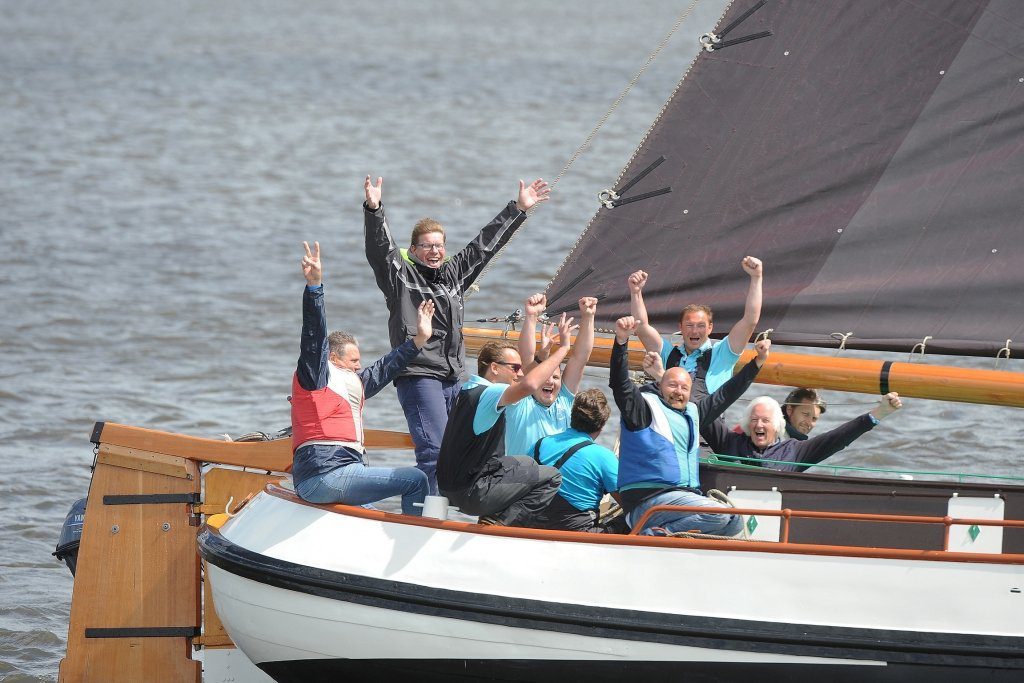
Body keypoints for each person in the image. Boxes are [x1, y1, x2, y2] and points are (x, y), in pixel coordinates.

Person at [363, 175, 551, 495]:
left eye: (439, 245)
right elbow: (380, 250)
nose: (434, 251)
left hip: (455, 378)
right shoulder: (401, 277)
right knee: (435, 456)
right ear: (414, 249)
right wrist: (374, 209)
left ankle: (460, 517)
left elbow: (484, 246)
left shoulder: (453, 274)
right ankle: (426, 520)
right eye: (427, 245)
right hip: (420, 375)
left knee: (465, 453)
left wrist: (518, 208)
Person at [290, 241, 432, 515]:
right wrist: (315, 287)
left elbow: (386, 367)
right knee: (417, 480)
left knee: (373, 511)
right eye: (354, 360)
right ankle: (415, 541)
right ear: (332, 359)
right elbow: (313, 334)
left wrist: (418, 341)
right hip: (324, 474)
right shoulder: (315, 376)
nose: (359, 366)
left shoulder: (353, 384)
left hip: (342, 472)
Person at [610, 316, 771, 536]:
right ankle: (652, 535)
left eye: (684, 388)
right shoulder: (643, 410)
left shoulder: (693, 413)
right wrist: (621, 342)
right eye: (672, 385)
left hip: (680, 498)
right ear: (660, 385)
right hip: (647, 501)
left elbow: (726, 394)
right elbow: (620, 385)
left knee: (734, 523)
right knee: (720, 514)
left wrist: (757, 363)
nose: (678, 391)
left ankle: (674, 544)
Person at [436, 317, 575, 527]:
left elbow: (525, 381)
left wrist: (541, 356)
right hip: (471, 493)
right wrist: (563, 349)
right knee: (552, 476)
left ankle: (493, 517)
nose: (520, 373)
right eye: (515, 368)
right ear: (494, 368)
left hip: (450, 487)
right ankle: (501, 525)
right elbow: (529, 384)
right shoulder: (492, 393)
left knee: (526, 462)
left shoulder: (469, 388)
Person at [628, 256, 763, 403]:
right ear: (680, 327)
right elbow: (641, 327)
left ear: (710, 328)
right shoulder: (668, 354)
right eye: (689, 325)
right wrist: (636, 292)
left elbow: (750, 321)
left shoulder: (723, 354)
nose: (694, 331)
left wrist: (756, 277)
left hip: (706, 424)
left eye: (701, 326)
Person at [703, 393, 903, 473]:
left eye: (766, 420)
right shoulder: (730, 441)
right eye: (754, 420)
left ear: (778, 424)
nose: (759, 425)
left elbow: (836, 438)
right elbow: (701, 410)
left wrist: (878, 414)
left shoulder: (795, 451)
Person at [503, 293, 596, 455]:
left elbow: (579, 358)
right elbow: (526, 359)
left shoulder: (564, 401)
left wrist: (588, 317)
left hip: (553, 479)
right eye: (545, 377)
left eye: (555, 377)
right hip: (520, 478)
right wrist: (531, 316)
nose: (550, 382)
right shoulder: (521, 401)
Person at [530, 389, 621, 532]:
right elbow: (628, 502)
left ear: (572, 417)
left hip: (533, 527)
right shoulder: (604, 457)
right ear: (602, 426)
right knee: (632, 517)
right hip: (577, 534)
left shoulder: (540, 445)